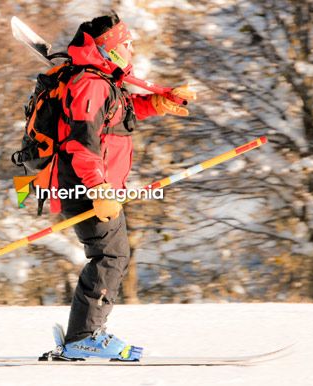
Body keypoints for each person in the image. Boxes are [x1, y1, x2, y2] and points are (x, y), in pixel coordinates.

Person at [49, 11, 196, 360]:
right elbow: (82, 142)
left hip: (98, 187)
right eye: (126, 45)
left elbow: (118, 116)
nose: (131, 50)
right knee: (110, 255)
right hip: (87, 187)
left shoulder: (103, 81)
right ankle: (83, 337)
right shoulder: (90, 84)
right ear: (109, 49)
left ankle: (83, 336)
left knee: (112, 255)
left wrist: (156, 103)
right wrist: (98, 188)